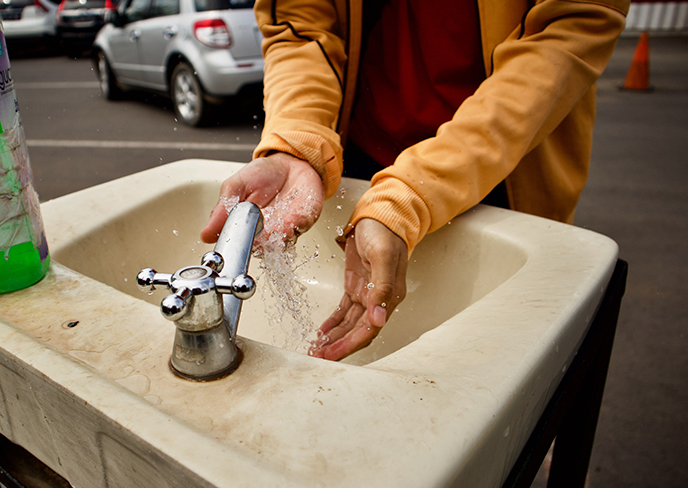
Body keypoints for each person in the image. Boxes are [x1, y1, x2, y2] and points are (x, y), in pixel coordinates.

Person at [201, 0, 630, 361]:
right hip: (358, 165)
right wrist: (297, 145)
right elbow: (300, 24)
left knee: (499, 364)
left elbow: (566, 34)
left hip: (505, 170)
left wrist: (411, 193)